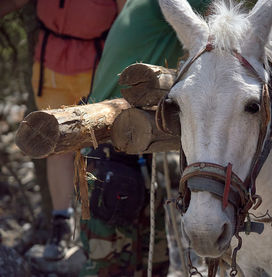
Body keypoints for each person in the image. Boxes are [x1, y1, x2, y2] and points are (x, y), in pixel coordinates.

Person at [79, 0, 211, 276]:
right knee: (113, 266)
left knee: (147, 263)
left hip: (127, 146)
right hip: (113, 147)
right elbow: (227, 36)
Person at [0, 0, 120, 261]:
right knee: (55, 148)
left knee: (100, 145)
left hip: (97, 62)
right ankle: (61, 225)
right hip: (50, 63)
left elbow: (125, 14)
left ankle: (99, 230)